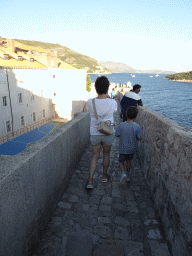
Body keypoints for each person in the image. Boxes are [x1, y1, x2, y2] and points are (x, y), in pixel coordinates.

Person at [86, 76, 118, 188]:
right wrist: (108, 97)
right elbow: (114, 110)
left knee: (94, 156)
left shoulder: (90, 102)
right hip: (108, 133)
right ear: (107, 88)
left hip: (95, 133)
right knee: (106, 154)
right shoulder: (113, 102)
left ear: (95, 88)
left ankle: (90, 181)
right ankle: (104, 177)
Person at [115, 106, 142, 184]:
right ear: (136, 116)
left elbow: (117, 134)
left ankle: (123, 173)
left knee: (121, 162)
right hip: (131, 148)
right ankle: (128, 175)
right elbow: (140, 138)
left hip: (122, 148)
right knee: (128, 161)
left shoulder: (121, 125)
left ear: (126, 114)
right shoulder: (137, 126)